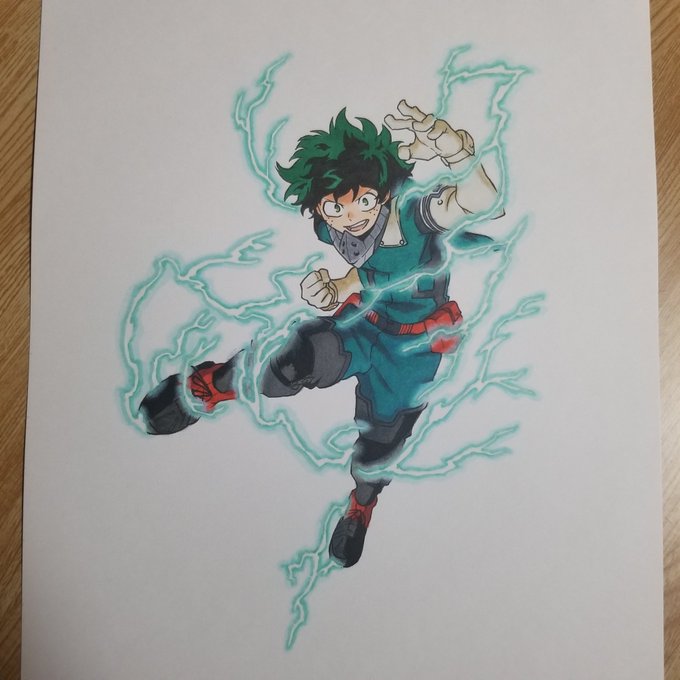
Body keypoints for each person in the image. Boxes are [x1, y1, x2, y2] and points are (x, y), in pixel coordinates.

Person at [140, 101, 502, 567]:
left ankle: (362, 505)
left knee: (379, 445)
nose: (350, 218)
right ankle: (211, 384)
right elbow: (370, 268)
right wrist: (338, 286)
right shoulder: (333, 228)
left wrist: (450, 144)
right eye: (334, 207)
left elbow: (482, 199)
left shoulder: (417, 213)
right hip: (362, 324)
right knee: (293, 359)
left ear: (384, 190)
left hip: (410, 350)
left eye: (363, 201)